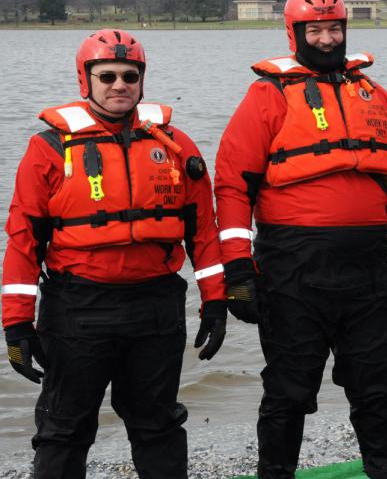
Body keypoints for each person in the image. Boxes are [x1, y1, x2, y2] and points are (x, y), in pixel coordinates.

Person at [214, 0, 387, 478]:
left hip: (368, 267)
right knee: (289, 390)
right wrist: (237, 268)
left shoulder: (373, 93)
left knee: (377, 386)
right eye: (314, 29)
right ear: (295, 34)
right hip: (294, 267)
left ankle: (386, 472)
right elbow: (232, 185)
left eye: (334, 28)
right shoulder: (267, 96)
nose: (326, 38)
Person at [1, 29, 227, 479]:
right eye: (107, 75)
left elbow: (203, 232)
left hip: (156, 309)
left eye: (130, 75)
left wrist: (216, 299)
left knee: (158, 425)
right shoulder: (47, 150)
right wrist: (16, 324)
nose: (119, 85)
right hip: (78, 309)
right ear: (86, 81)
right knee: (64, 429)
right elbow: (23, 240)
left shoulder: (176, 146)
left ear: (142, 80)